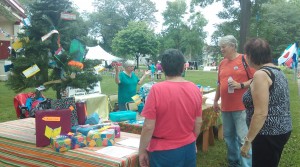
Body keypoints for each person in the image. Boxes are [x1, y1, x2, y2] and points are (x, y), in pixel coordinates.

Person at [139, 49, 203, 167]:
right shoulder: (195, 89)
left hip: (164, 151)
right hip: (188, 146)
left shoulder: (157, 90)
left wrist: (142, 151)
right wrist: (192, 139)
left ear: (162, 68)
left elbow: (148, 126)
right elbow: (198, 121)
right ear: (183, 67)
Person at [241, 38, 292, 167]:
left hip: (267, 133)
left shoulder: (261, 75)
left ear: (251, 56)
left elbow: (261, 113)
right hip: (282, 129)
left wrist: (247, 141)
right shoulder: (277, 71)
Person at [213, 35, 255, 167]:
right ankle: (234, 162)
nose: (221, 49)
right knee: (229, 137)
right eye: (220, 47)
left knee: (243, 138)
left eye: (223, 47)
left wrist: (241, 85)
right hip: (225, 108)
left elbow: (256, 78)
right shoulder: (222, 63)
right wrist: (215, 101)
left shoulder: (244, 59)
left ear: (232, 46)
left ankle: (246, 164)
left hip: (241, 107)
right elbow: (220, 84)